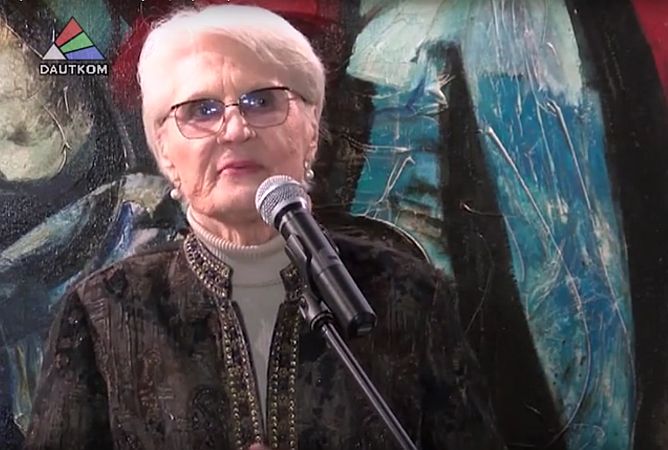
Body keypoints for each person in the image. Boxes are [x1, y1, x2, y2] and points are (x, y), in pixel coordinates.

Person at [24, 4, 505, 450]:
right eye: (201, 110)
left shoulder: (409, 297)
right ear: (165, 152)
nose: (235, 129)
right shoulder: (103, 313)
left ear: (311, 130)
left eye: (262, 101)